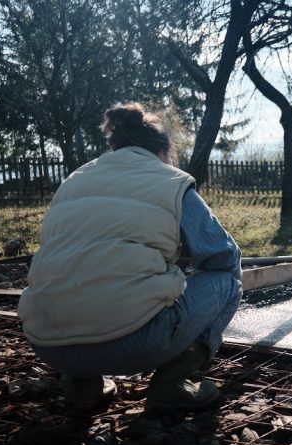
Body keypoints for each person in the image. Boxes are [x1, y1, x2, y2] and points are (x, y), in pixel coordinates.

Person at [18, 103, 243, 413]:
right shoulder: (172, 181)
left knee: (77, 274)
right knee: (227, 280)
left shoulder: (74, 180)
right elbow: (222, 256)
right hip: (133, 345)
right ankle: (173, 383)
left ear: (115, 146)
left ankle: (82, 385)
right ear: (162, 151)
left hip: (47, 342)